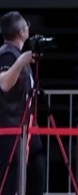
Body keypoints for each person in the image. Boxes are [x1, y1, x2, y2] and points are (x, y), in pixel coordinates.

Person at [0, 12, 44, 195]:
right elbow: (4, 83)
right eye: (26, 25)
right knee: (9, 185)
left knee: (36, 180)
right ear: (20, 32)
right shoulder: (7, 54)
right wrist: (21, 62)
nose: (28, 27)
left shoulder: (18, 54)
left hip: (28, 130)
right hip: (11, 132)